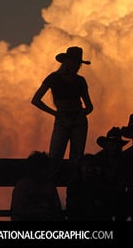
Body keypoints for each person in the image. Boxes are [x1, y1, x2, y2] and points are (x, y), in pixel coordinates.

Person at [31, 46, 93, 183]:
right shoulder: (54, 78)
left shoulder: (80, 81)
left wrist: (78, 114)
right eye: (75, 62)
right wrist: (56, 114)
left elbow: (89, 107)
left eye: (78, 63)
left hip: (77, 121)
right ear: (67, 61)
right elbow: (35, 100)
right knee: (54, 158)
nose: (77, 65)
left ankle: (73, 193)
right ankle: (50, 189)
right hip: (64, 120)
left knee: (75, 160)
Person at [11, 151, 64, 221]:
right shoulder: (23, 186)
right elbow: (18, 211)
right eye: (45, 168)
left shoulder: (49, 185)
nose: (47, 171)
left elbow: (57, 210)